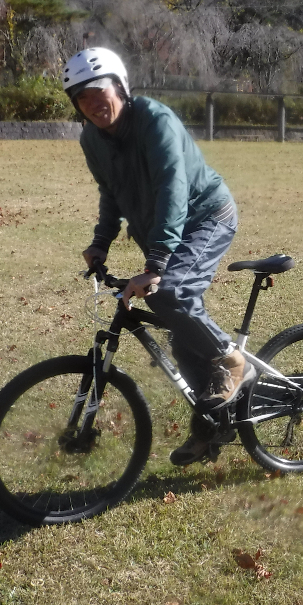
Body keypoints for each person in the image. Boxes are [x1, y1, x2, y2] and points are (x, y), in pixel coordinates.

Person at [62, 47, 252, 466]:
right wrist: (101, 241)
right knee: (177, 327)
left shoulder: (155, 120)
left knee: (171, 292)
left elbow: (173, 188)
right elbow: (110, 192)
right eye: (81, 97)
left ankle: (231, 360)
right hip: (160, 231)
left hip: (206, 216)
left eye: (98, 90)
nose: (92, 103)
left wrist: (156, 264)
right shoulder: (92, 140)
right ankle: (212, 423)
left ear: (120, 87)